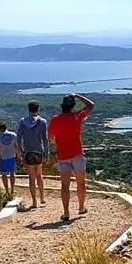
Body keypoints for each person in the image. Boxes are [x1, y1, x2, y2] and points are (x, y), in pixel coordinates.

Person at [48, 93, 94, 221]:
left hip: (63, 156)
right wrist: (77, 95)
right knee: (81, 182)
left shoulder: (55, 119)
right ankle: (81, 207)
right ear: (73, 106)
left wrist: (57, 142)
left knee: (65, 185)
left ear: (62, 106)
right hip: (77, 154)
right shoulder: (77, 116)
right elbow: (90, 105)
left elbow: (51, 138)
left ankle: (66, 212)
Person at [17, 100, 49, 209]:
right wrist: (46, 153)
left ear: (28, 109)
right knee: (39, 175)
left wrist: (21, 151)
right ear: (38, 109)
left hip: (28, 152)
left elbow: (18, 138)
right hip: (39, 152)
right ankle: (42, 198)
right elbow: (45, 139)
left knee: (31, 177)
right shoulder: (43, 121)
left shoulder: (22, 121)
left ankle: (34, 201)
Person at [0, 122, 19, 196]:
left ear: (0, 128)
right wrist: (18, 155)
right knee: (12, 174)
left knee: (4, 175)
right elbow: (16, 146)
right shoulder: (13, 134)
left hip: (3, 157)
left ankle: (7, 190)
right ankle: (12, 189)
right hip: (12, 156)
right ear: (6, 127)